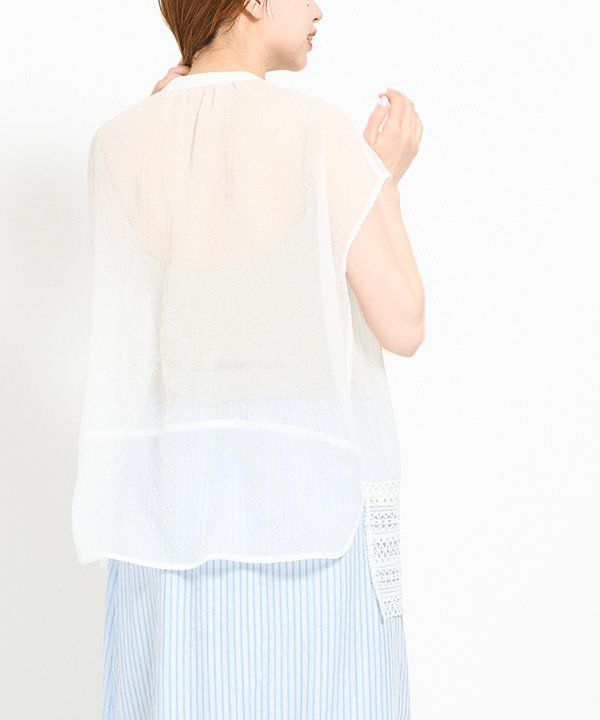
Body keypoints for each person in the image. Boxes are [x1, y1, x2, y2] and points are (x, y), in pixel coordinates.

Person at [73, 0, 425, 717]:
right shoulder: (318, 132)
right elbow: (405, 323)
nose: (319, 9)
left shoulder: (118, 143)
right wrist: (381, 176)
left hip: (165, 504)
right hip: (307, 502)